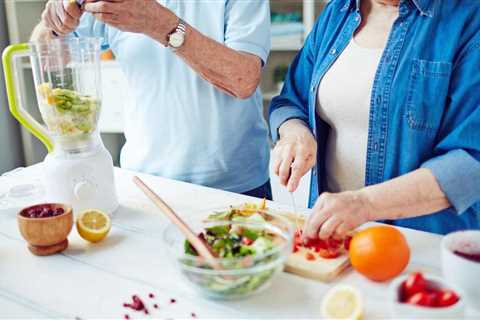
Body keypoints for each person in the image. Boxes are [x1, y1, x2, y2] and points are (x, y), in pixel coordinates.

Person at [269, 0, 480, 237]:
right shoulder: (337, 11)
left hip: (421, 241)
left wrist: (364, 203)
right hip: (333, 233)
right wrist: (295, 132)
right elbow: (290, 100)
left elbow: (471, 162)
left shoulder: (470, 19)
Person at [32, 0, 272, 199]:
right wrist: (53, 25)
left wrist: (161, 24)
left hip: (237, 186)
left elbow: (242, 79)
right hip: (146, 185)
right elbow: (49, 59)